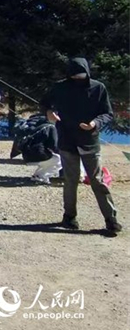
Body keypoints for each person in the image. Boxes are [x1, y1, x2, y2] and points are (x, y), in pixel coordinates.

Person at [40, 57, 122, 235]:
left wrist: (95, 123)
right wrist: (49, 113)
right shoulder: (59, 87)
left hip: (89, 141)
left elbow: (107, 113)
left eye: (81, 76)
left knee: (97, 181)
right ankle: (69, 217)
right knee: (70, 180)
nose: (78, 79)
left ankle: (111, 219)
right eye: (74, 76)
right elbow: (44, 103)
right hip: (67, 140)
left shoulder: (98, 87)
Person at [10, 114, 61, 184]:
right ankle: (41, 177)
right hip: (38, 155)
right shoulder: (51, 127)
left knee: (49, 160)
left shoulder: (36, 127)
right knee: (59, 160)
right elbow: (54, 146)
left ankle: (37, 176)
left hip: (26, 155)